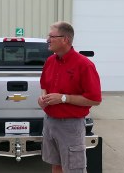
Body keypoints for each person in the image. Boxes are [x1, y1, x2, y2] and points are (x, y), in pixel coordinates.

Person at [38, 21, 102, 173]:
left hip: (71, 126)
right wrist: (43, 99)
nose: (48, 39)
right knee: (56, 165)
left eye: (51, 36)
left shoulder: (84, 65)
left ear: (65, 39)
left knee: (74, 169)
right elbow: (44, 85)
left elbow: (95, 99)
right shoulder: (50, 61)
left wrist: (63, 98)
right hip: (50, 122)